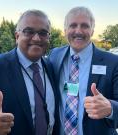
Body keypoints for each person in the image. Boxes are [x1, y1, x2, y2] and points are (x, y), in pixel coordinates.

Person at [0, 10, 60, 135]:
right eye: (29, 31)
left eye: (43, 33)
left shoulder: (51, 67)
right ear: (17, 36)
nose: (36, 38)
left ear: (48, 37)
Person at [48, 6, 118, 135]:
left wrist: (110, 108)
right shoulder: (54, 55)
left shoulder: (113, 62)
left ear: (92, 30)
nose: (78, 31)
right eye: (73, 25)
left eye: (85, 26)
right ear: (65, 30)